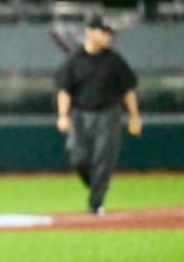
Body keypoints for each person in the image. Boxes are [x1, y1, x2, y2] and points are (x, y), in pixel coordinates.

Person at [54, 13, 142, 214]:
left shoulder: (115, 61)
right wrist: (63, 115)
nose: (108, 36)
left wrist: (135, 116)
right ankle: (100, 184)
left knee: (104, 159)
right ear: (90, 33)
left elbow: (128, 90)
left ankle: (96, 204)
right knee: (78, 158)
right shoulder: (74, 61)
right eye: (103, 32)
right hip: (80, 114)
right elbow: (64, 90)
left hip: (108, 114)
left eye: (109, 33)